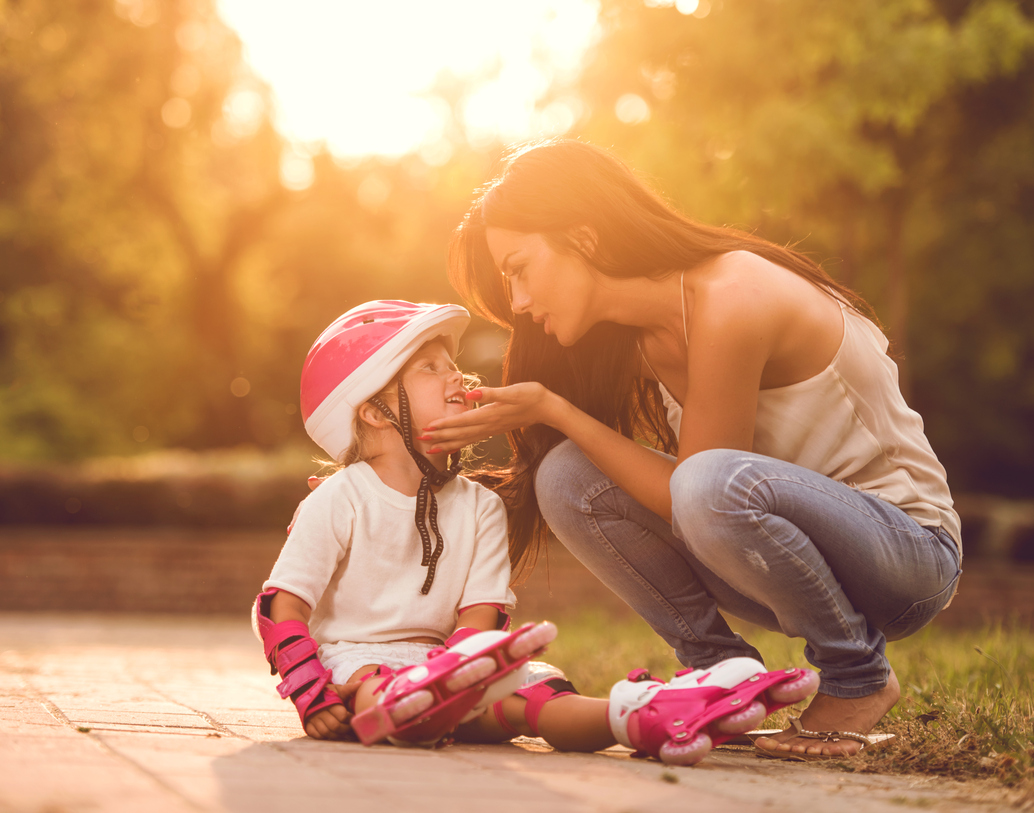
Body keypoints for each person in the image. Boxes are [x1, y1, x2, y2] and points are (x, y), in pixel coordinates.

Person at [421, 139, 963, 760]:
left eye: (518, 268)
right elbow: (693, 495)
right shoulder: (643, 337)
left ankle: (857, 676)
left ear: (585, 238)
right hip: (791, 552)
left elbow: (699, 491)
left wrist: (555, 408)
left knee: (702, 482)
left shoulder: (732, 295)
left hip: (908, 556)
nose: (517, 301)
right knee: (566, 476)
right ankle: (724, 679)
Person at [253, 299, 819, 764]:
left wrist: (460, 675)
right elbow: (283, 605)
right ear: (374, 412)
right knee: (376, 682)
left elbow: (480, 619)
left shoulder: (479, 507)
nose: (457, 377)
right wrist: (308, 687)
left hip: (449, 664)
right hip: (357, 665)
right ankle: (407, 706)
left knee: (536, 696)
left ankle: (646, 715)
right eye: (430, 368)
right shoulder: (338, 497)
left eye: (453, 365)